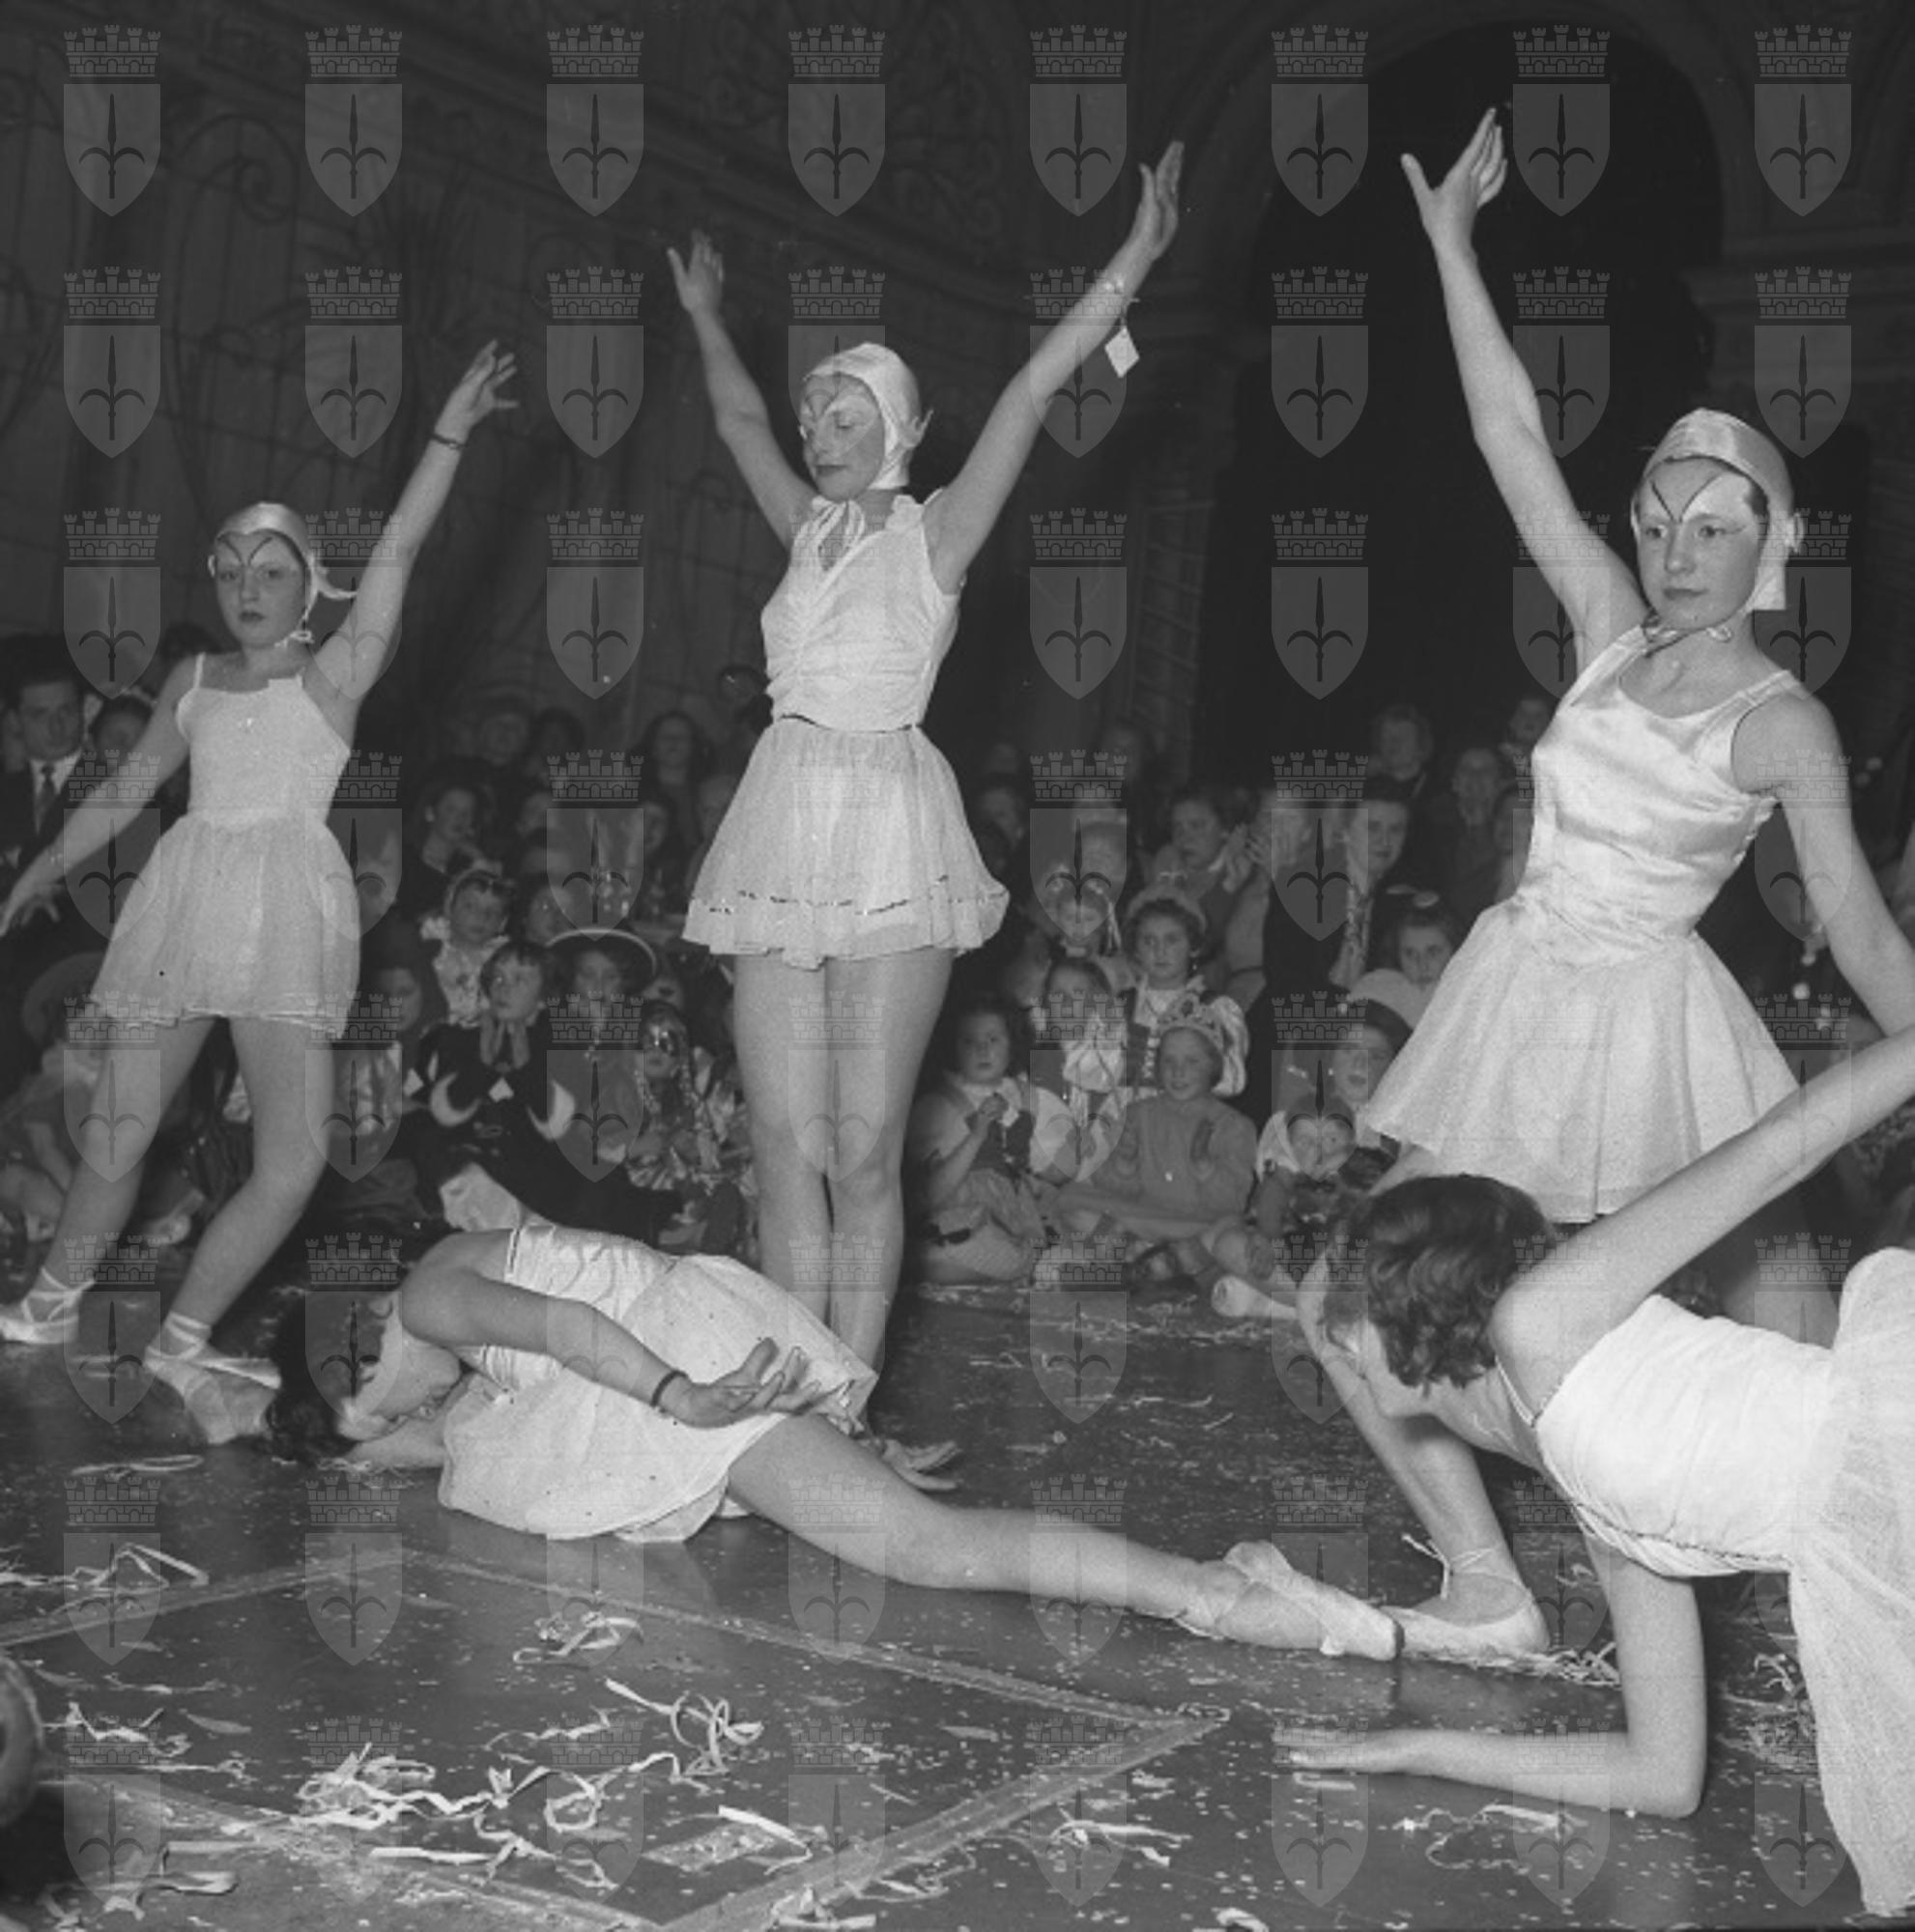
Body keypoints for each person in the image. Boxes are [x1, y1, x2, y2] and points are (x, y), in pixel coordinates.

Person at [1300, 110, 1915, 1662]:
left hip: (1640, 1029)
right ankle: (1487, 1585)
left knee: (1623, 1336)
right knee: (1345, 1303)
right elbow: (1512, 441)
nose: (1674, 548)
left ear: (1770, 545)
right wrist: (1449, 245)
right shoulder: (1604, 635)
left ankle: (1748, 1576)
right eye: (1655, 520)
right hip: (1511, 998)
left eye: (1712, 528)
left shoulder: (1779, 720)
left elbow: (1853, 926)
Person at [669, 145, 1185, 1379]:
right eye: (813, 416)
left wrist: (1133, 258)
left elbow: (1032, 387)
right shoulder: (803, 526)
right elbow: (737, 418)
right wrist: (704, 317)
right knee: (783, 1146)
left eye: (843, 414)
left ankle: (844, 1391)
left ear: (896, 428)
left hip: (890, 832)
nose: (817, 430)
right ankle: (785, 1380)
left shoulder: (935, 533)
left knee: (860, 1146)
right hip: (782, 822)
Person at [1293, 1024, 1915, 1918]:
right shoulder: (1602, 1501)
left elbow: (1784, 1145)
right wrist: (1426, 1750)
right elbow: (1661, 1776)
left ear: (1415, 1311)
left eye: (1353, 1299)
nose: (1332, 1326)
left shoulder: (1538, 1323)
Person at [0, 343, 517, 1388]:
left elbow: (401, 550)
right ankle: (48, 1306)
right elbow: (128, 786)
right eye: (231, 569)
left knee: (294, 1158)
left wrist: (448, 433)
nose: (247, 586)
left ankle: (183, 1335)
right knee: (118, 1129)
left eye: (271, 570)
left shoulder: (335, 676)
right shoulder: (193, 675)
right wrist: (42, 866)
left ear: (309, 588)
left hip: (285, 915)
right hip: (187, 904)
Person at [225, 1218, 1404, 1663]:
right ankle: (1209, 1588)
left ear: (356, 1343)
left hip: (667, 1353)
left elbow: (572, 1331)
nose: (409, 1405)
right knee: (485, 1443)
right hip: (676, 1333)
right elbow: (464, 1420)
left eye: (381, 1399)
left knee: (926, 1549)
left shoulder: (428, 1300)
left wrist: (684, 1397)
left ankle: (1213, 1590)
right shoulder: (440, 1292)